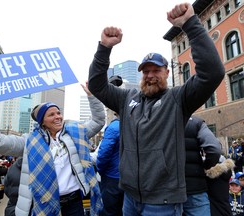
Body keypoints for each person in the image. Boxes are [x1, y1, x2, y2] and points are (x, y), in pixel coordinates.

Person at [88, 2, 225, 215]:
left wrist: (190, 24)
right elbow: (97, 85)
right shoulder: (127, 99)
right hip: (130, 198)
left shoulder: (178, 99)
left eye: (156, 70)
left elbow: (213, 72)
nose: (150, 75)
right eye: (146, 71)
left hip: (163, 202)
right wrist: (104, 48)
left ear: (167, 73)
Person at [0, 82, 105, 216]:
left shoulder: (75, 134)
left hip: (76, 203)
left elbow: (98, 121)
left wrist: (92, 96)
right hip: (44, 205)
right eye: (51, 114)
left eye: (58, 113)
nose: (58, 116)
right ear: (42, 122)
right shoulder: (28, 141)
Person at [183, 115, 222, 216]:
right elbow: (215, 149)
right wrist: (206, 165)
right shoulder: (196, 122)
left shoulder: (160, 119)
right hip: (195, 188)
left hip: (167, 190)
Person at [96, 75, 124, 216]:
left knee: (109, 211)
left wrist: (101, 170)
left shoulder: (114, 127)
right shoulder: (132, 126)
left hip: (112, 178)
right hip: (129, 177)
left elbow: (103, 154)